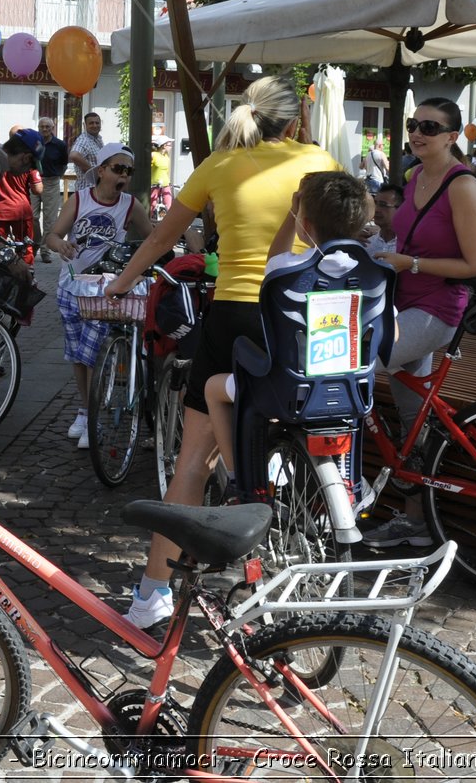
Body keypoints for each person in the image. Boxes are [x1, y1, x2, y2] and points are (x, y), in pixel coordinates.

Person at [102, 75, 341, 625]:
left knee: (192, 459)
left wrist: (121, 283)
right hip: (306, 317)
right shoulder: (319, 160)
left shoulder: (219, 164)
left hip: (235, 316)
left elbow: (162, 238)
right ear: (295, 122)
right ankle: (286, 486)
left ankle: (151, 595)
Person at [361, 98, 476, 549]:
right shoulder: (415, 176)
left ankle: (347, 488)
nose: (418, 133)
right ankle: (415, 519)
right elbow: (403, 236)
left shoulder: (462, 186)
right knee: (411, 417)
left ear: (453, 136)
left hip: (437, 311)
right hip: (399, 305)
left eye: (430, 127)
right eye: (414, 125)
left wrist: (410, 262)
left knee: (349, 365)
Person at [198, 172, 376, 479]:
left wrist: (292, 212)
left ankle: (237, 479)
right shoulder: (372, 275)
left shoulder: (288, 269)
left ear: (304, 226)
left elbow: (274, 258)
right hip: (352, 391)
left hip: (285, 388)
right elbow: (392, 333)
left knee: (214, 388)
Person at [46, 144, 153, 448]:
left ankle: (93, 420)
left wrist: (184, 235)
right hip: (71, 286)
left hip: (105, 290)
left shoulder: (131, 206)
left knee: (92, 355)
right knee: (78, 356)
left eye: (128, 171)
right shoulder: (80, 199)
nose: (124, 176)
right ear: (102, 170)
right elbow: (52, 235)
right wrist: (60, 246)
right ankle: (84, 410)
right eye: (118, 169)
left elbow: (153, 238)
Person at [0, 130, 43, 260]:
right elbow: (37, 189)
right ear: (26, 158)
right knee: (25, 250)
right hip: (21, 210)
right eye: (30, 163)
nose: (28, 167)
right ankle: (27, 275)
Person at [34, 117, 68, 262]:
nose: (44, 129)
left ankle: (45, 251)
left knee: (49, 219)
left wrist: (56, 176)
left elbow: (64, 164)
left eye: (47, 127)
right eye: (42, 126)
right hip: (34, 181)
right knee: (33, 216)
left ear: (52, 128)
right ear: (38, 127)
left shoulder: (59, 145)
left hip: (51, 182)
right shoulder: (34, 143)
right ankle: (35, 243)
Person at [69, 112, 105, 190]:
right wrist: (94, 172)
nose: (95, 125)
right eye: (91, 123)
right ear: (84, 125)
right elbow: (74, 155)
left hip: (96, 188)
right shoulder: (84, 140)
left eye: (97, 123)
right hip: (87, 189)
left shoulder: (98, 139)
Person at [364, 184, 402, 257]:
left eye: (383, 205)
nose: (377, 209)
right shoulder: (367, 243)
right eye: (375, 204)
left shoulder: (407, 246)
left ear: (400, 209)